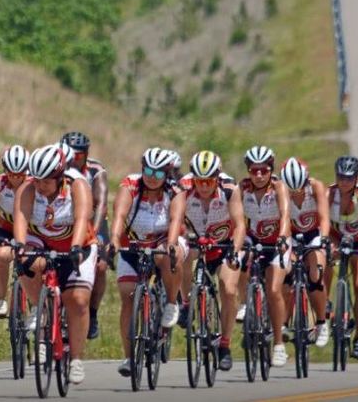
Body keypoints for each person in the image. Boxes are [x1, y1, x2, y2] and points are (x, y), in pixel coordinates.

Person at [13, 144, 97, 384]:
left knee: (78, 301)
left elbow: (82, 218)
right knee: (26, 263)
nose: (40, 186)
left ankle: (77, 359)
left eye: (46, 182)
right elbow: (21, 218)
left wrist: (75, 247)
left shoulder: (77, 186)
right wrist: (19, 246)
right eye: (37, 180)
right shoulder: (29, 188)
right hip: (40, 240)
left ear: (60, 177)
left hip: (76, 242)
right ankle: (41, 318)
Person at [110, 147, 187, 377]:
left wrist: (172, 244)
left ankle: (172, 302)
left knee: (166, 255)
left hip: (163, 241)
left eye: (159, 173)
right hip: (133, 244)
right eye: (148, 170)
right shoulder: (130, 185)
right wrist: (114, 240)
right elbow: (120, 216)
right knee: (127, 294)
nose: (152, 177)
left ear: (167, 174)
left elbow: (175, 220)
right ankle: (129, 356)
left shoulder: (175, 190)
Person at [179, 150, 245, 371]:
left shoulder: (229, 190)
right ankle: (186, 303)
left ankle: (225, 345)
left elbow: (240, 224)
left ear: (217, 178)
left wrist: (235, 251)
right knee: (184, 255)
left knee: (228, 289)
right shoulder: (184, 190)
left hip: (225, 245)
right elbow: (175, 220)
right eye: (199, 181)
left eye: (209, 181)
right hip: (198, 242)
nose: (204, 186)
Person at [237, 145, 291, 367]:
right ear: (248, 170)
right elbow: (235, 218)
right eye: (254, 170)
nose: (258, 175)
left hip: (276, 242)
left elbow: (286, 215)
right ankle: (244, 303)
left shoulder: (278, 187)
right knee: (238, 260)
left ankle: (278, 344)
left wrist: (282, 238)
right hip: (252, 239)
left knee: (274, 290)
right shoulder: (243, 188)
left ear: (271, 169)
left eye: (264, 170)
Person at [323, 155, 358, 359]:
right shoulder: (329, 193)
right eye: (341, 177)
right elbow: (323, 220)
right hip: (336, 236)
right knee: (323, 258)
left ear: (356, 178)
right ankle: (326, 303)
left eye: (349, 178)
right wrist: (324, 242)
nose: (344, 182)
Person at [61, 131, 109, 340]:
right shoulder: (55, 168)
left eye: (78, 156)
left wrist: (96, 233)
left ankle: (93, 312)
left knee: (99, 266)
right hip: (65, 219)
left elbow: (102, 204)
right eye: (70, 155)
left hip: (92, 221)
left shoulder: (96, 170)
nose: (73, 160)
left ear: (86, 155)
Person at [280, 157, 331, 348]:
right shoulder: (280, 191)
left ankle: (321, 323)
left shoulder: (315, 187)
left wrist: (324, 240)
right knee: (286, 274)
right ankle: (284, 323)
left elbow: (325, 218)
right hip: (291, 235)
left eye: (299, 187)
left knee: (315, 274)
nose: (296, 192)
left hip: (313, 234)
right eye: (291, 190)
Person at [0, 144, 30, 317]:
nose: (15, 178)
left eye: (20, 174)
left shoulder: (33, 184)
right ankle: (1, 299)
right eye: (11, 173)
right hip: (5, 228)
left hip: (30, 231)